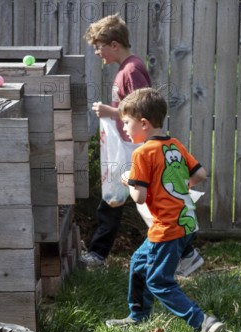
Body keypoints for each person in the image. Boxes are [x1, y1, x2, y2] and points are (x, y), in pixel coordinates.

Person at [82, 14, 204, 276]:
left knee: (139, 199)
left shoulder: (132, 69)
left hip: (136, 148)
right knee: (118, 197)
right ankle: (100, 253)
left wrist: (109, 111)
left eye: (98, 46)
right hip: (130, 146)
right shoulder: (126, 69)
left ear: (114, 44)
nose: (96, 52)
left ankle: (185, 252)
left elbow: (141, 110)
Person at [105, 88, 225, 332]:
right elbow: (200, 175)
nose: (124, 128)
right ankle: (138, 315)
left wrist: (128, 181)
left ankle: (203, 322)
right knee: (139, 262)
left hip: (166, 228)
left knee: (159, 281)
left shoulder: (142, 153)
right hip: (186, 221)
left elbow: (138, 197)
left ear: (144, 123)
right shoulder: (175, 145)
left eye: (126, 122)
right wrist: (178, 188)